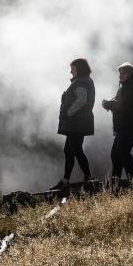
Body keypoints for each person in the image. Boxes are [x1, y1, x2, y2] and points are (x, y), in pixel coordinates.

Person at [51, 58, 95, 189]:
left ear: (79, 69)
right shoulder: (82, 81)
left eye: (73, 69)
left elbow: (81, 100)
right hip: (77, 122)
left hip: (77, 123)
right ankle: (66, 180)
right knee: (69, 150)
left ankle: (88, 177)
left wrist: (68, 113)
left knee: (75, 149)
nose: (71, 71)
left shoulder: (81, 81)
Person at [101, 62, 133, 180]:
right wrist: (111, 104)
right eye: (120, 73)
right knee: (116, 154)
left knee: (123, 152)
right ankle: (116, 182)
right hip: (124, 126)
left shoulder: (129, 88)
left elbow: (122, 106)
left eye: (123, 73)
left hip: (128, 126)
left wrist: (108, 104)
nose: (120, 75)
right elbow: (121, 104)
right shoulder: (127, 87)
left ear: (130, 74)